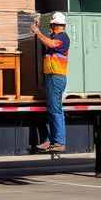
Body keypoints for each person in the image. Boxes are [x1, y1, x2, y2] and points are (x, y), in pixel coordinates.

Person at [30, 12, 70, 152]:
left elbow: (51, 43)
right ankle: (52, 140)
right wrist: (38, 27)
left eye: (52, 25)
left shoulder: (63, 38)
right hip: (51, 77)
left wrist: (38, 33)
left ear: (57, 25)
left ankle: (59, 142)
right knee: (52, 110)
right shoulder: (55, 36)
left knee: (55, 110)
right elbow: (47, 40)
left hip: (56, 77)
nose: (51, 28)